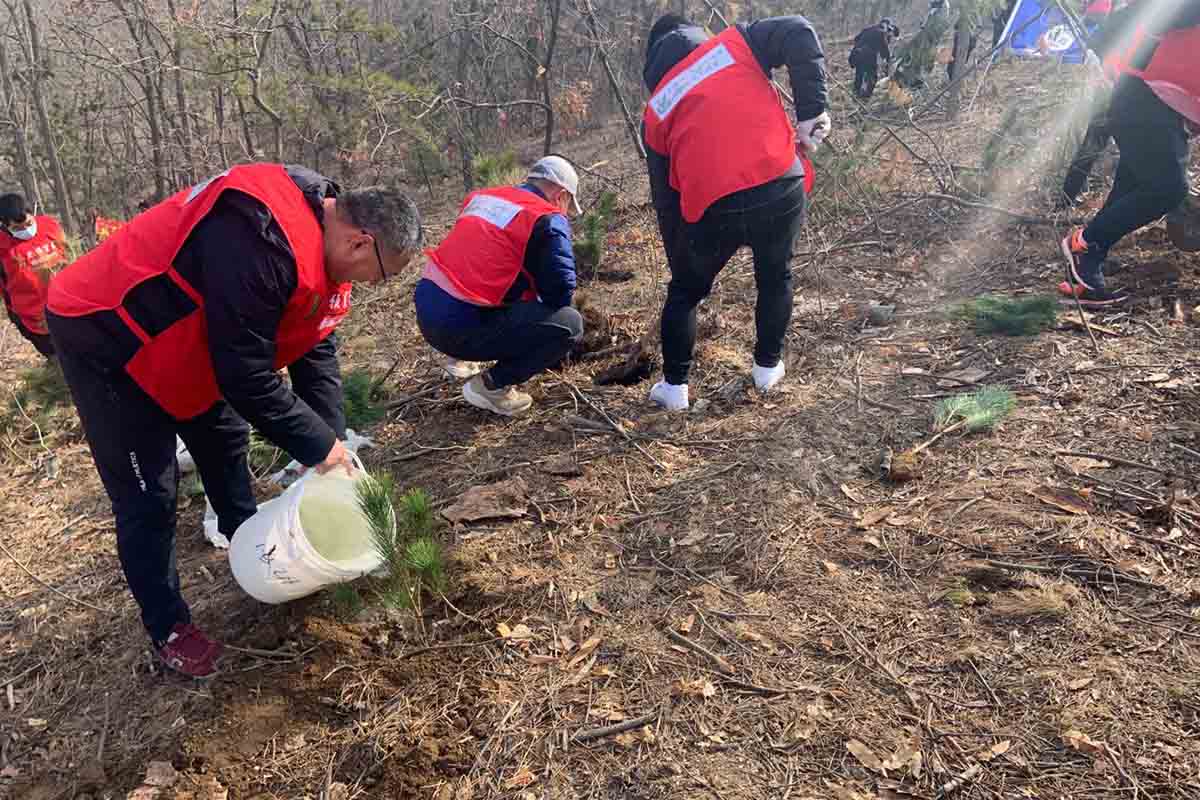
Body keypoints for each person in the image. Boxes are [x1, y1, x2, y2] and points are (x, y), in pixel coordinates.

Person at [46, 164, 422, 678]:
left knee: (223, 436)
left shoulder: (323, 238)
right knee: (148, 497)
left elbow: (315, 348)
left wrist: (329, 446)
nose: (374, 285)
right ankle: (167, 626)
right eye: (381, 275)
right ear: (360, 244)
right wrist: (319, 448)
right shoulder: (260, 239)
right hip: (108, 333)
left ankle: (252, 549)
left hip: (191, 340)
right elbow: (245, 379)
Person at [641, 13, 827, 411]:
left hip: (712, 206)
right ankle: (767, 370)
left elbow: (665, 198)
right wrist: (811, 112)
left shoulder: (656, 109)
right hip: (780, 182)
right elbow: (798, 29)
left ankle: (674, 390)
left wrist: (683, 265)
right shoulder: (735, 44)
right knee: (775, 275)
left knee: (684, 295)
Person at [415, 155, 584, 417]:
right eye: (568, 207)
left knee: (500, 286)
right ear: (561, 196)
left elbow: (479, 260)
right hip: (457, 329)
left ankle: (460, 360)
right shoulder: (547, 217)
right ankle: (491, 386)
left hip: (427, 313)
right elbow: (560, 292)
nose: (566, 215)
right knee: (569, 324)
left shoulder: (483, 198)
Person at [1060, 0, 1199, 306]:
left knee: (1132, 185)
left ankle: (1085, 270)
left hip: (1155, 105)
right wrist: (1110, 54)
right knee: (1168, 189)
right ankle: (1085, 243)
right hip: (1143, 99)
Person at [0, 194, 68, 358]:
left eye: (29, 224)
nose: (26, 230)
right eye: (17, 228)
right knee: (59, 358)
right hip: (35, 319)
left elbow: (66, 253)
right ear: (4, 226)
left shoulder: (49, 226)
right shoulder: (2, 250)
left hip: (67, 305)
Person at [850, 18, 899, 99]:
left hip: (856, 54)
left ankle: (856, 95)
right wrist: (888, 63)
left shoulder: (868, 29)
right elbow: (885, 51)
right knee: (873, 77)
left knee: (859, 75)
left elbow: (856, 39)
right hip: (867, 55)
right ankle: (865, 98)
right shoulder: (882, 32)